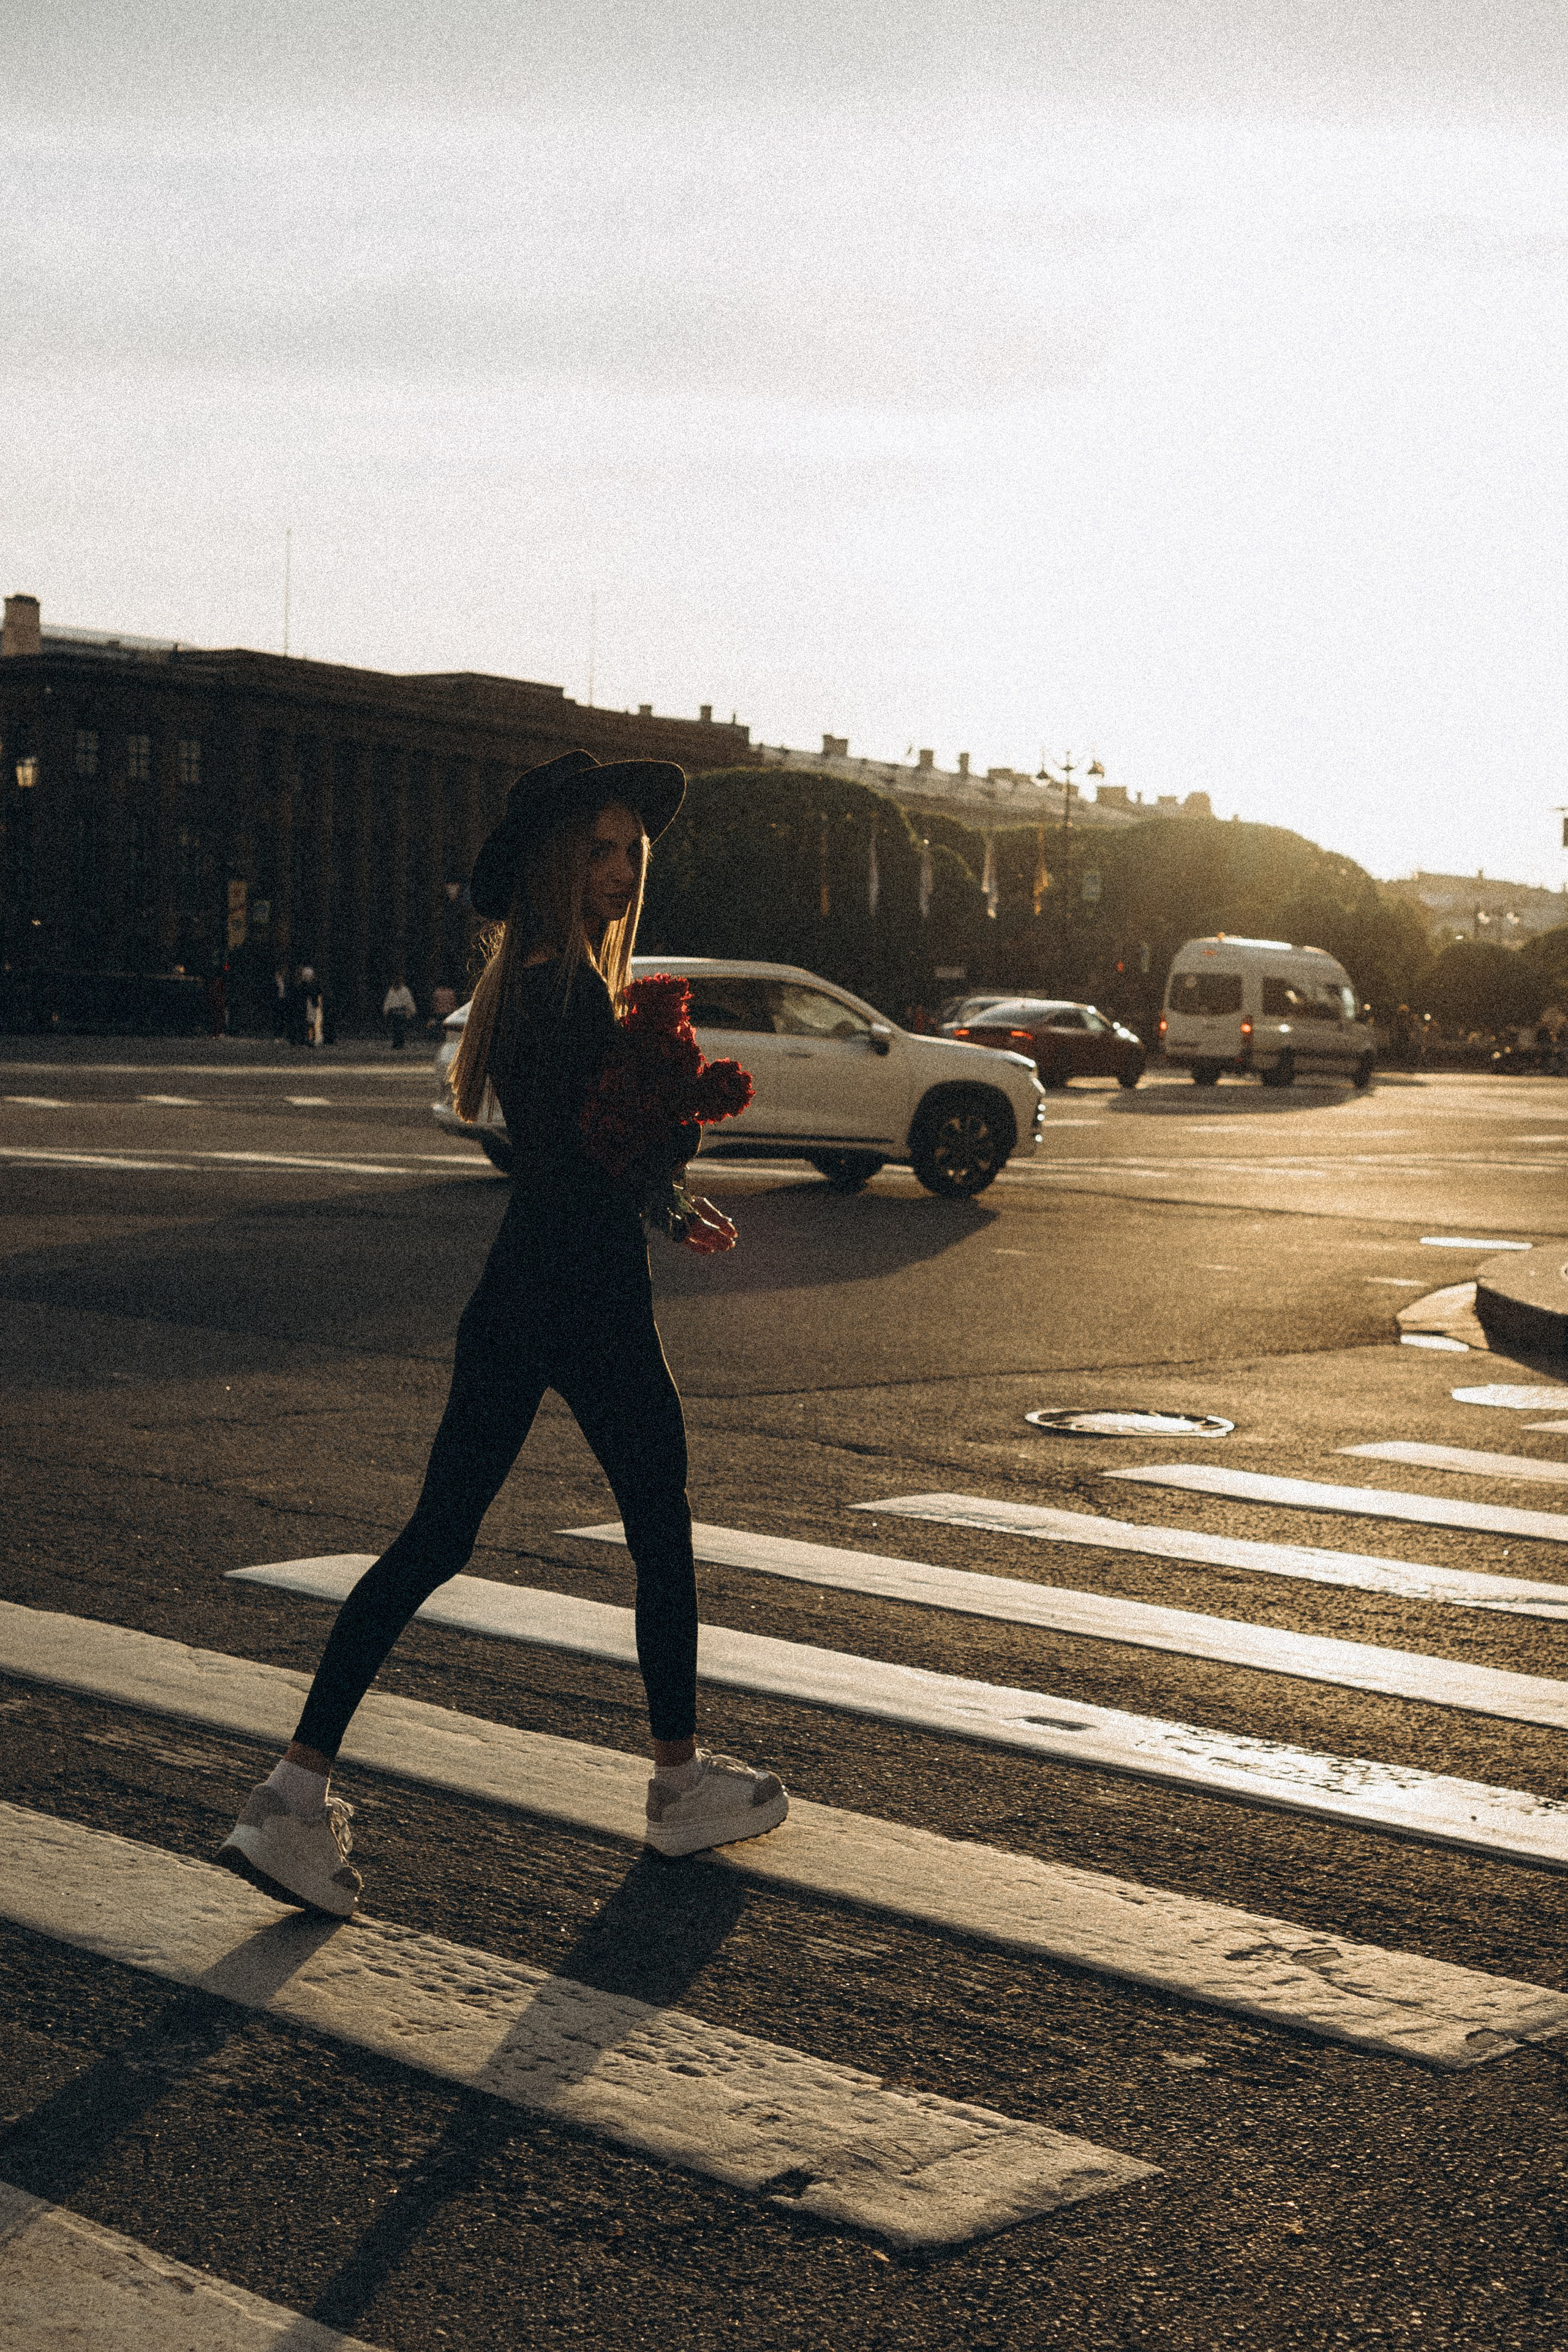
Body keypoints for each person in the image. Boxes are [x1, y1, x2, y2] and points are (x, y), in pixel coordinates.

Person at [218, 750, 787, 1916]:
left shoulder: (530, 981)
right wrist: (669, 1144)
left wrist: (665, 1197)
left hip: (524, 1292)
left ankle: (291, 1793)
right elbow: (594, 1153)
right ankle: (679, 1787)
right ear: (554, 861)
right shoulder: (565, 988)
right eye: (600, 850)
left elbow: (570, 1154)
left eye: (632, 851)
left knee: (438, 1541)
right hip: (582, 1298)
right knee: (655, 1525)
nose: (622, 870)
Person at [382, 975, 417, 1049]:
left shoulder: (404, 990)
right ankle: (397, 1042)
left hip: (402, 1012)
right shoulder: (392, 990)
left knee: (400, 1028)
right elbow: (389, 1001)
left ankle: (399, 1043)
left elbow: (408, 1001)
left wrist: (411, 1010)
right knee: (396, 1028)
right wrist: (386, 1010)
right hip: (394, 1012)